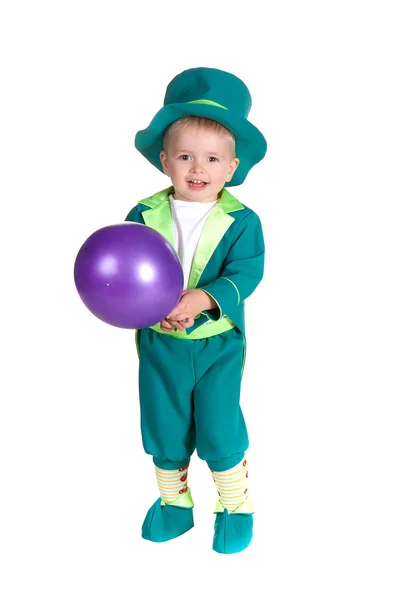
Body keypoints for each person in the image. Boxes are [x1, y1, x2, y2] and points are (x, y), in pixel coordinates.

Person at [125, 67, 267, 554]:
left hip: (217, 344)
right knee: (163, 423)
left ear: (231, 167)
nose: (197, 169)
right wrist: (152, 311)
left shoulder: (242, 220)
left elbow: (247, 272)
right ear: (165, 160)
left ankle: (235, 505)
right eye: (185, 156)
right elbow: (126, 275)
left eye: (211, 159)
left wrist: (202, 299)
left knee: (218, 424)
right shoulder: (142, 215)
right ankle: (174, 504)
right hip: (161, 341)